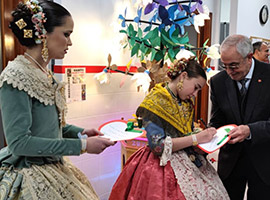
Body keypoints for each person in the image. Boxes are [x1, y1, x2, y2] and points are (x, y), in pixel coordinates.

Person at [0, 0, 115, 199]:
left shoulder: (45, 73)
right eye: (66, 34)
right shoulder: (15, 76)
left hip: (54, 166)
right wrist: (83, 146)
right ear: (43, 33)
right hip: (29, 173)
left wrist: (81, 133)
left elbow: (48, 127)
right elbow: (19, 142)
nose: (70, 43)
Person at [109, 58, 229, 200]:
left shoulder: (186, 102)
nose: (195, 94)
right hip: (160, 165)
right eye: (195, 87)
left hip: (188, 158)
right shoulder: (154, 101)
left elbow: (187, 131)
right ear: (183, 76)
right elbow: (158, 147)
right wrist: (196, 139)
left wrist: (202, 138)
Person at [209, 34, 270, 199]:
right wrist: (206, 137)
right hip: (231, 162)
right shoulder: (218, 82)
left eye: (233, 66)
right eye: (225, 66)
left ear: (249, 57)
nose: (229, 72)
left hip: (264, 161)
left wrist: (250, 130)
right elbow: (216, 121)